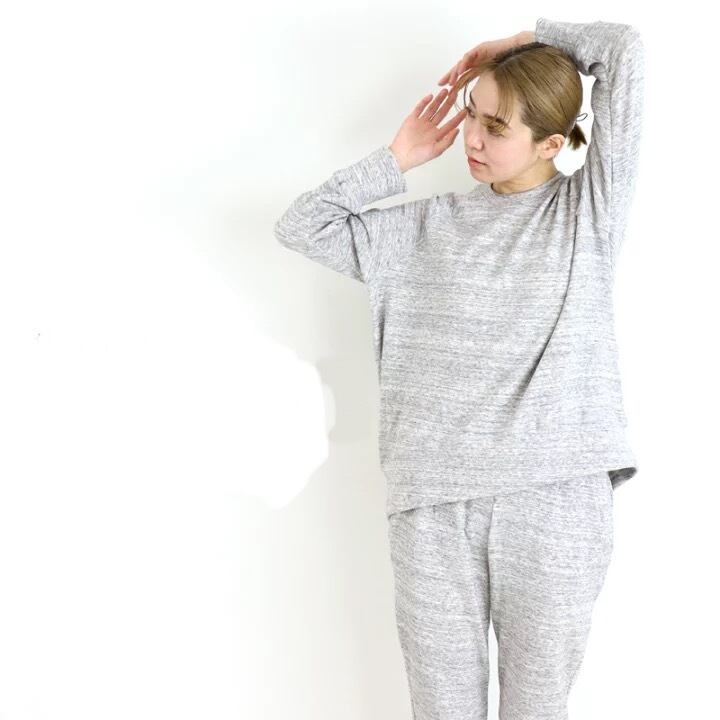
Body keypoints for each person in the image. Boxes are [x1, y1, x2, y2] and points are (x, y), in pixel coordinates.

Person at [274, 16, 645, 720]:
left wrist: (524, 41)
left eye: (496, 127)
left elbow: (624, 50)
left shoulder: (585, 216)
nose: (472, 138)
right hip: (433, 505)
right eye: (473, 114)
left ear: (554, 144)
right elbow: (302, 226)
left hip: (555, 501)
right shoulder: (420, 229)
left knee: (537, 710)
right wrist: (397, 159)